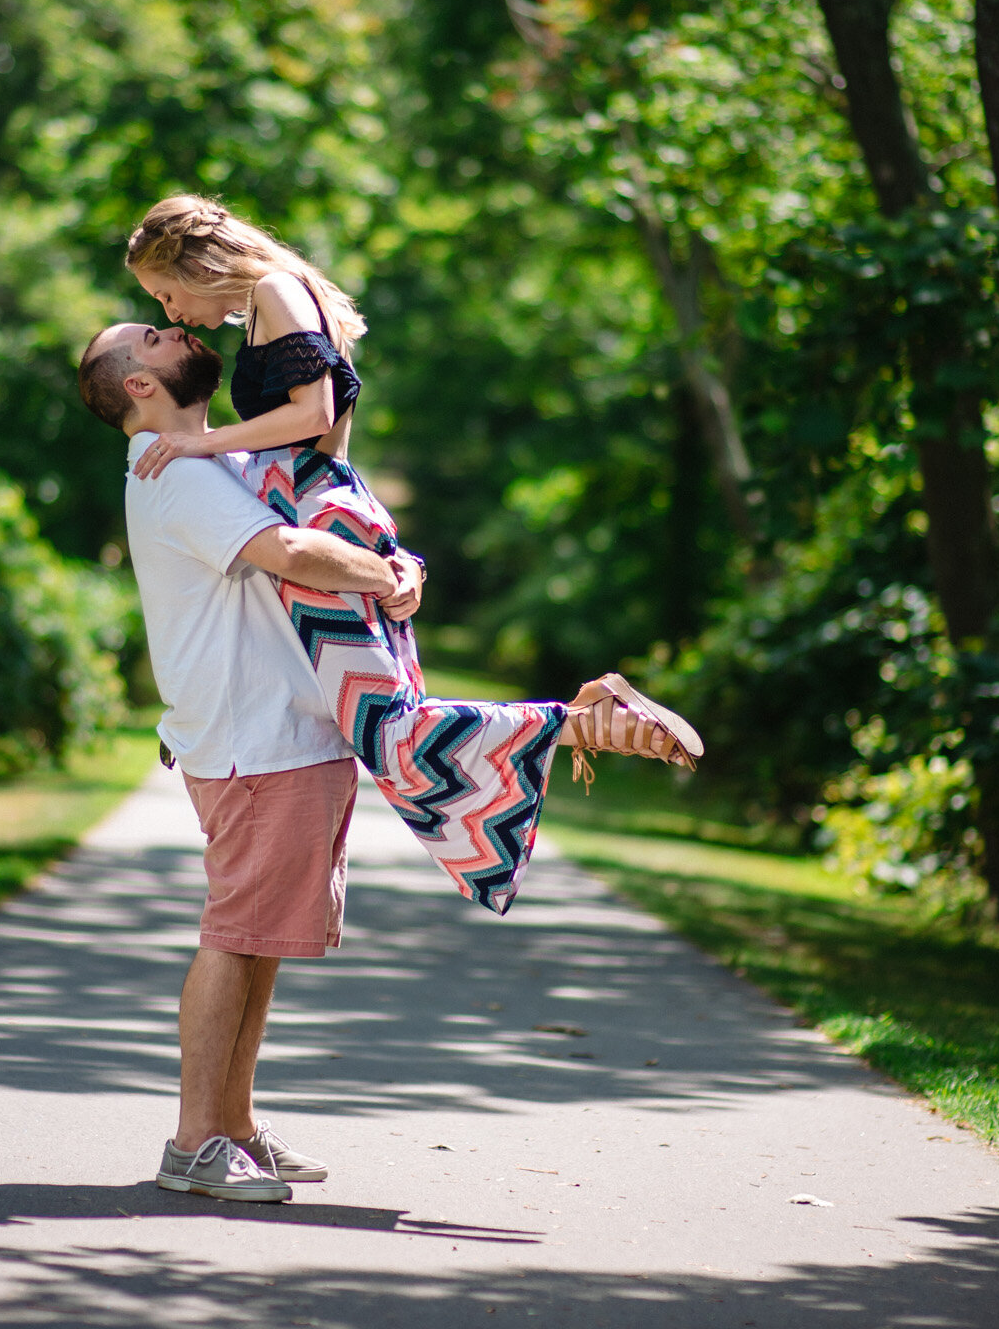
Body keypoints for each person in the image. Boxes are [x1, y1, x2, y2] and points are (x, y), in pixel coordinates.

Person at [123, 193, 700, 917]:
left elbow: (315, 414)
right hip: (323, 507)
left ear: (196, 264)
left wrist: (199, 442)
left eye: (165, 294)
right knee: (390, 725)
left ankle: (582, 718)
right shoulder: (277, 298)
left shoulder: (273, 292)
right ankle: (580, 721)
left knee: (390, 732)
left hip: (318, 509)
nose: (174, 314)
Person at [79, 318, 425, 1202]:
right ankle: (194, 1142)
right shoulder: (176, 468)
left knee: (259, 940)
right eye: (151, 338)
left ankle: (233, 1126)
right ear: (139, 387)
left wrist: (396, 559)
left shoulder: (211, 457)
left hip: (272, 736)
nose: (176, 329)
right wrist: (386, 576)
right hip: (254, 742)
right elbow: (295, 552)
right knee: (237, 937)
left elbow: (319, 511)